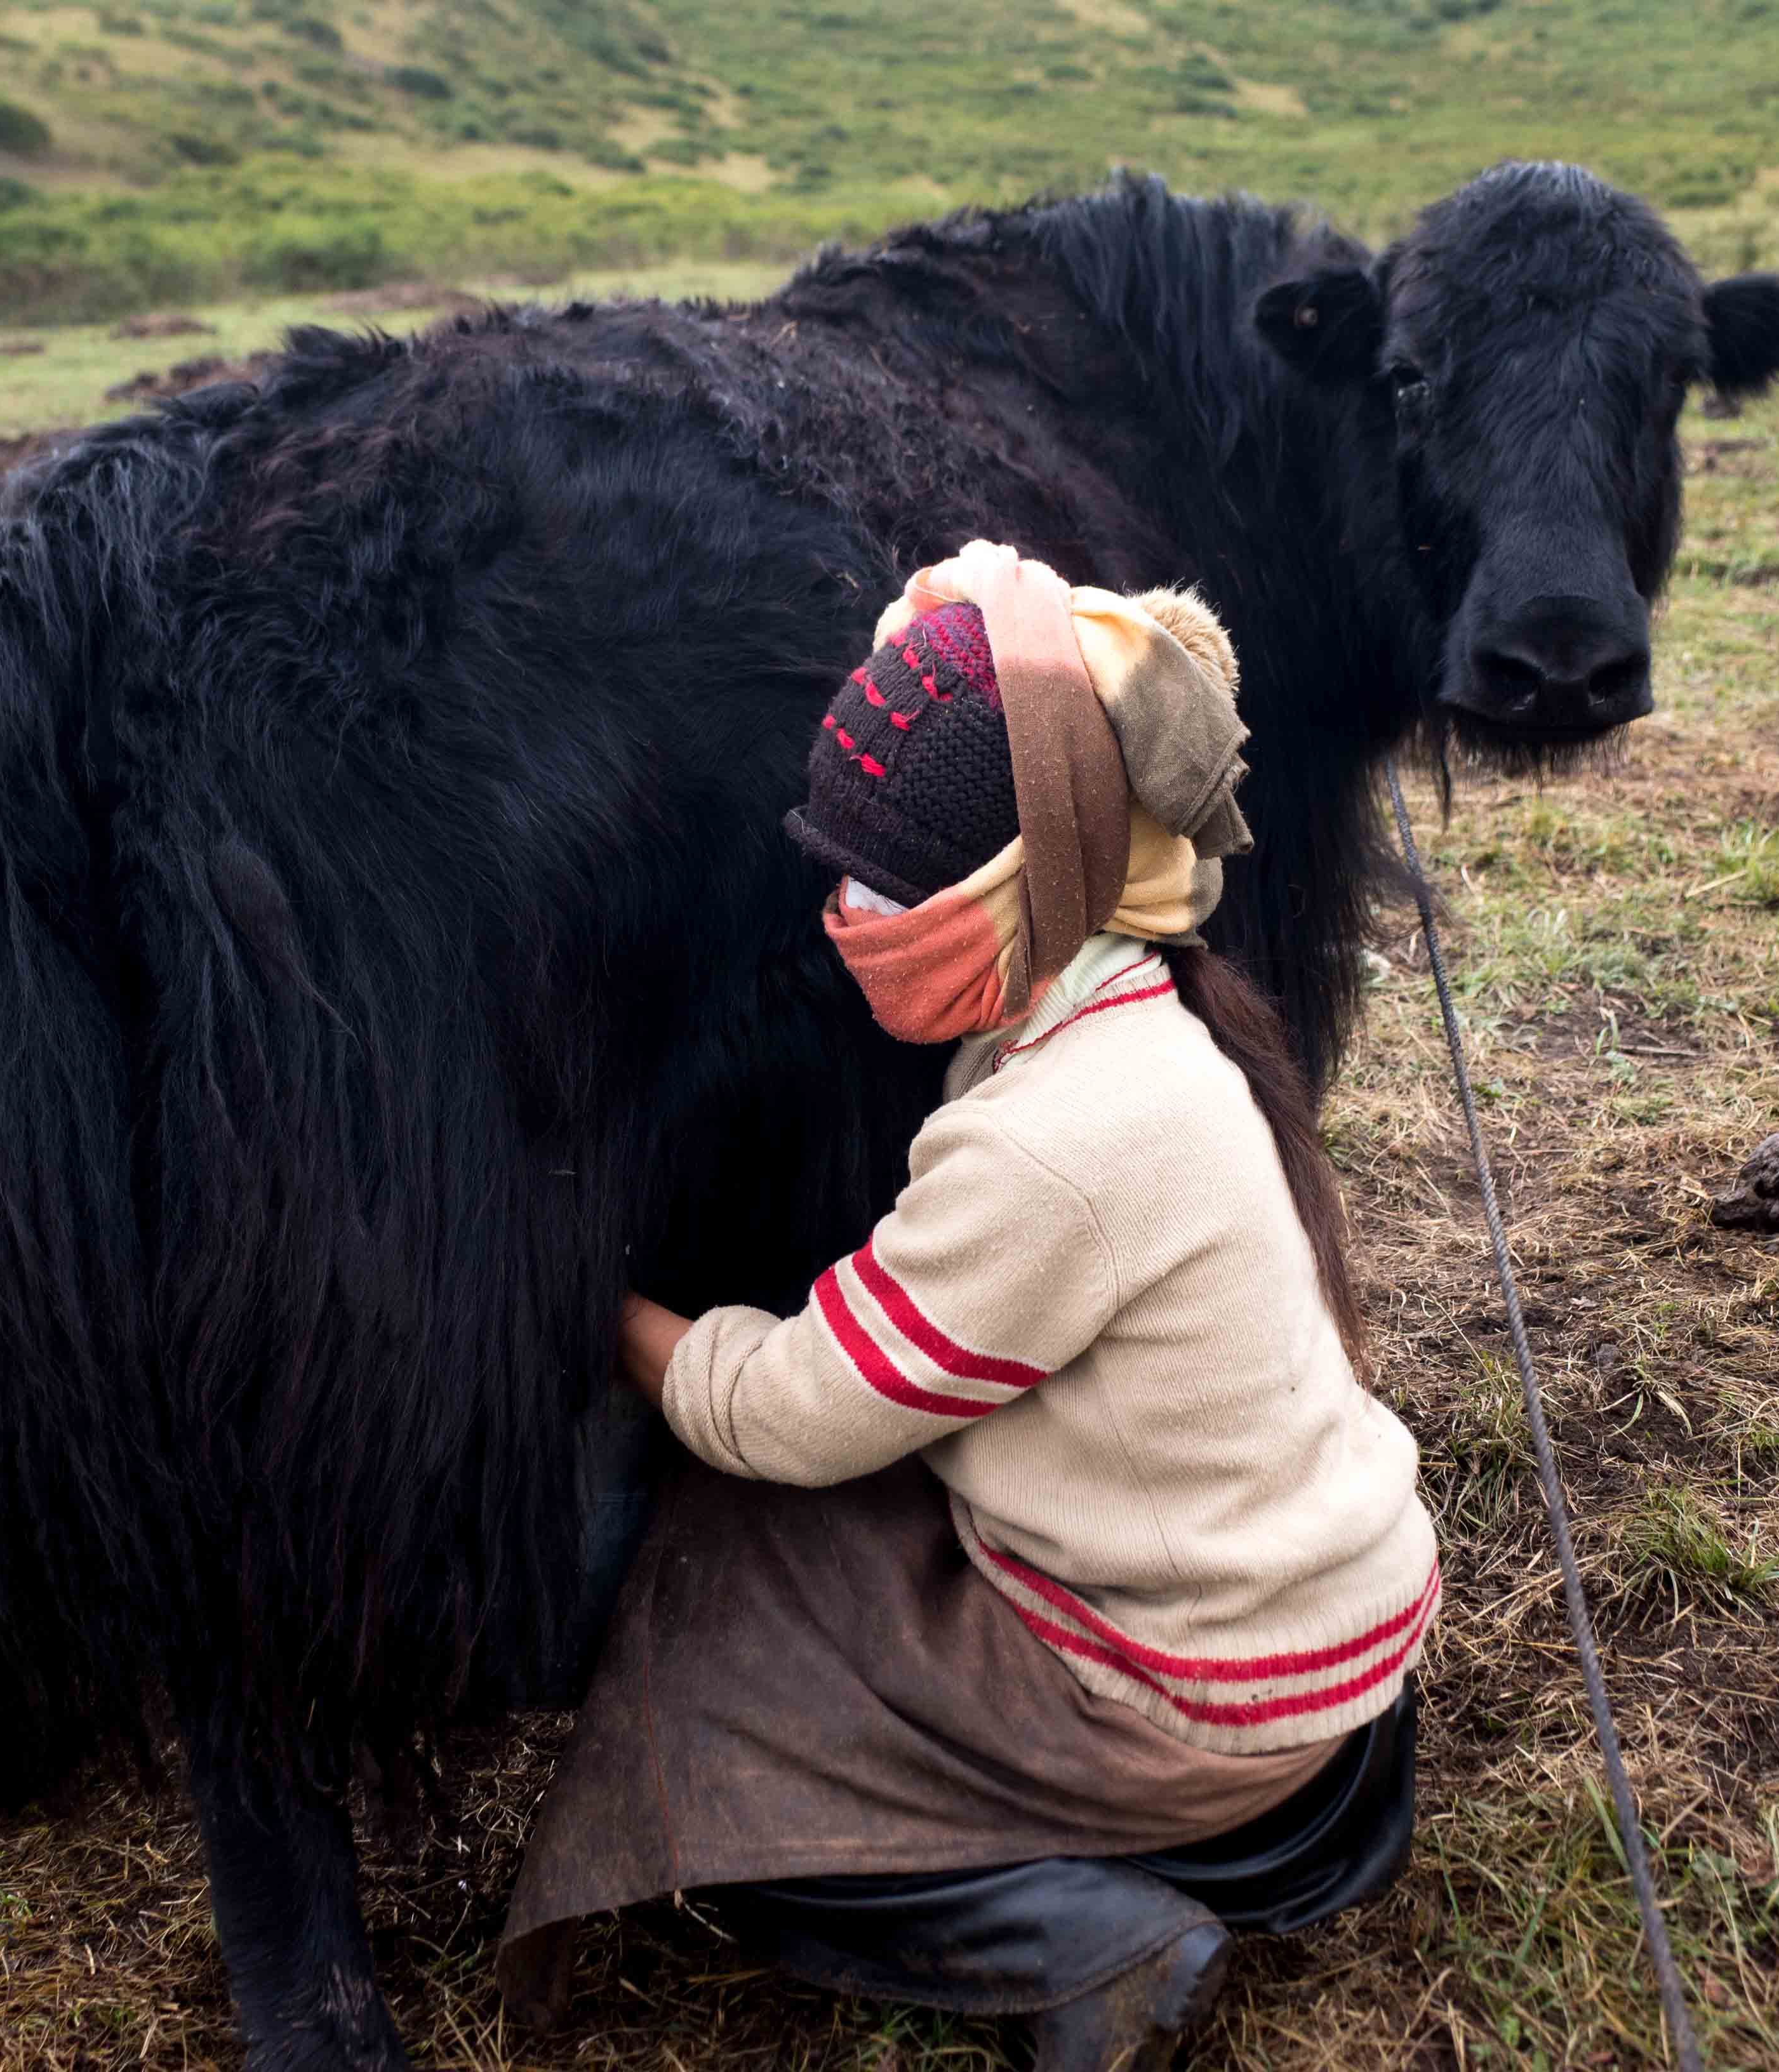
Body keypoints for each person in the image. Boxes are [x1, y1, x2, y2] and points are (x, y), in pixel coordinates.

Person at [500, 542, 1441, 2072]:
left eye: (892, 884)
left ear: (1030, 877)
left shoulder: (1044, 1146)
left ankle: (1070, 1942)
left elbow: (788, 1411)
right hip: (1331, 1646)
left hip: (1216, 1708)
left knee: (721, 1702)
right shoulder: (1152, 1005)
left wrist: (606, 1312)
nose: (847, 914)